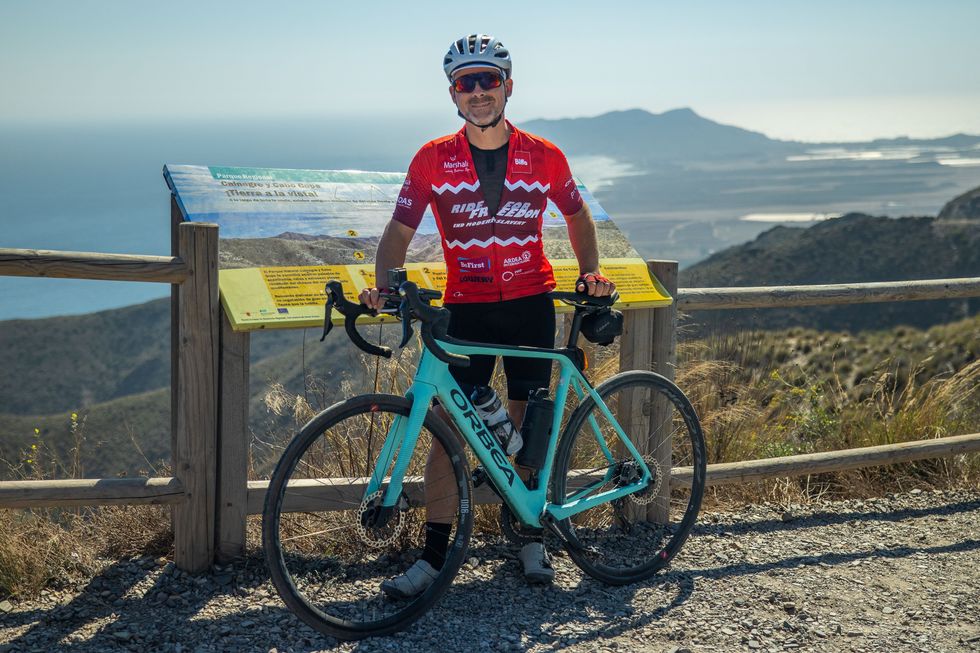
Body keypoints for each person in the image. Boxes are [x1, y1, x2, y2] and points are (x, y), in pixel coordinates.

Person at [359, 33, 615, 598]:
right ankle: (433, 558)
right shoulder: (432, 158)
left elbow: (578, 215)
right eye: (465, 83)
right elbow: (399, 230)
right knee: (447, 429)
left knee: (526, 425)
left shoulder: (545, 155)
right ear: (453, 94)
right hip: (467, 308)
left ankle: (528, 535)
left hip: (530, 304)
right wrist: (383, 287)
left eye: (488, 80)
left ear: (508, 87)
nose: (478, 91)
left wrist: (591, 270)